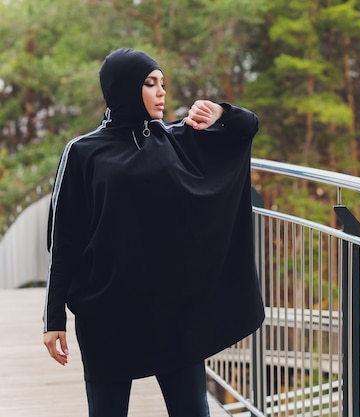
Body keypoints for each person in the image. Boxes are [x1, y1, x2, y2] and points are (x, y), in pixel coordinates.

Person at [42, 48, 265, 417]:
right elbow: (63, 240)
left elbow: (246, 128)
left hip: (173, 314)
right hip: (107, 315)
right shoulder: (82, 152)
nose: (161, 92)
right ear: (125, 88)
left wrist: (221, 112)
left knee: (193, 410)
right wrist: (54, 320)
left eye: (163, 83)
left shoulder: (177, 138)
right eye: (150, 83)